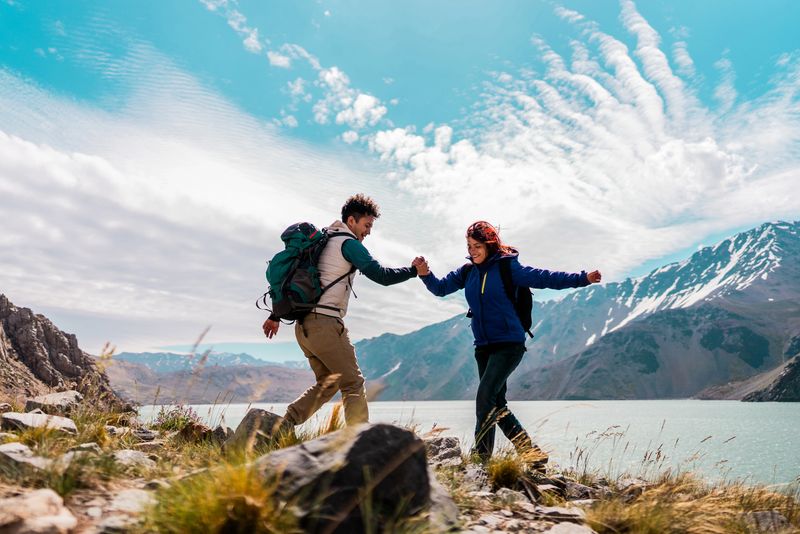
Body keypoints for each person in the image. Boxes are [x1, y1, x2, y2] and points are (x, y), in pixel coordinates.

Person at [413, 221, 601, 462]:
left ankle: (481, 457)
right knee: (496, 403)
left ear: (490, 245)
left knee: (485, 397)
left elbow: (545, 278)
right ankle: (532, 455)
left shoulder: (507, 268)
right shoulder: (467, 272)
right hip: (483, 346)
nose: (472, 251)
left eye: (477, 246)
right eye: (469, 246)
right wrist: (425, 274)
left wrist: (583, 278)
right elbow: (440, 288)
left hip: (509, 344)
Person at [263, 194, 422, 430]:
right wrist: (413, 270)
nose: (368, 231)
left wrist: (275, 315)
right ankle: (360, 441)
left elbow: (302, 277)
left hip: (303, 328)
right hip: (325, 324)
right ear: (351, 220)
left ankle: (283, 426)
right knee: (353, 384)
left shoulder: (322, 239)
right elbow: (381, 276)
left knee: (328, 383)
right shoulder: (348, 243)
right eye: (367, 225)